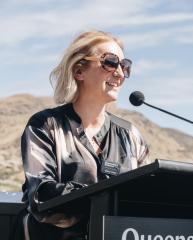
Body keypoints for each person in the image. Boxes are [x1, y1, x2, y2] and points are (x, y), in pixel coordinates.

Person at [20, 30, 149, 240]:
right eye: (110, 62)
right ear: (79, 71)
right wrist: (105, 199)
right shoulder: (45, 126)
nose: (120, 73)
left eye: (125, 66)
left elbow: (146, 199)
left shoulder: (131, 135)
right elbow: (41, 197)